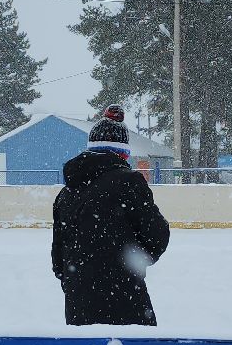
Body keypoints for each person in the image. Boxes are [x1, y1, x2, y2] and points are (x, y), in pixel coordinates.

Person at [51, 115, 170, 326]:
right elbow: (157, 236)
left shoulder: (65, 194)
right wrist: (132, 261)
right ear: (123, 152)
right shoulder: (129, 183)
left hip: (78, 304)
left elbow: (58, 258)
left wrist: (78, 280)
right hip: (124, 297)